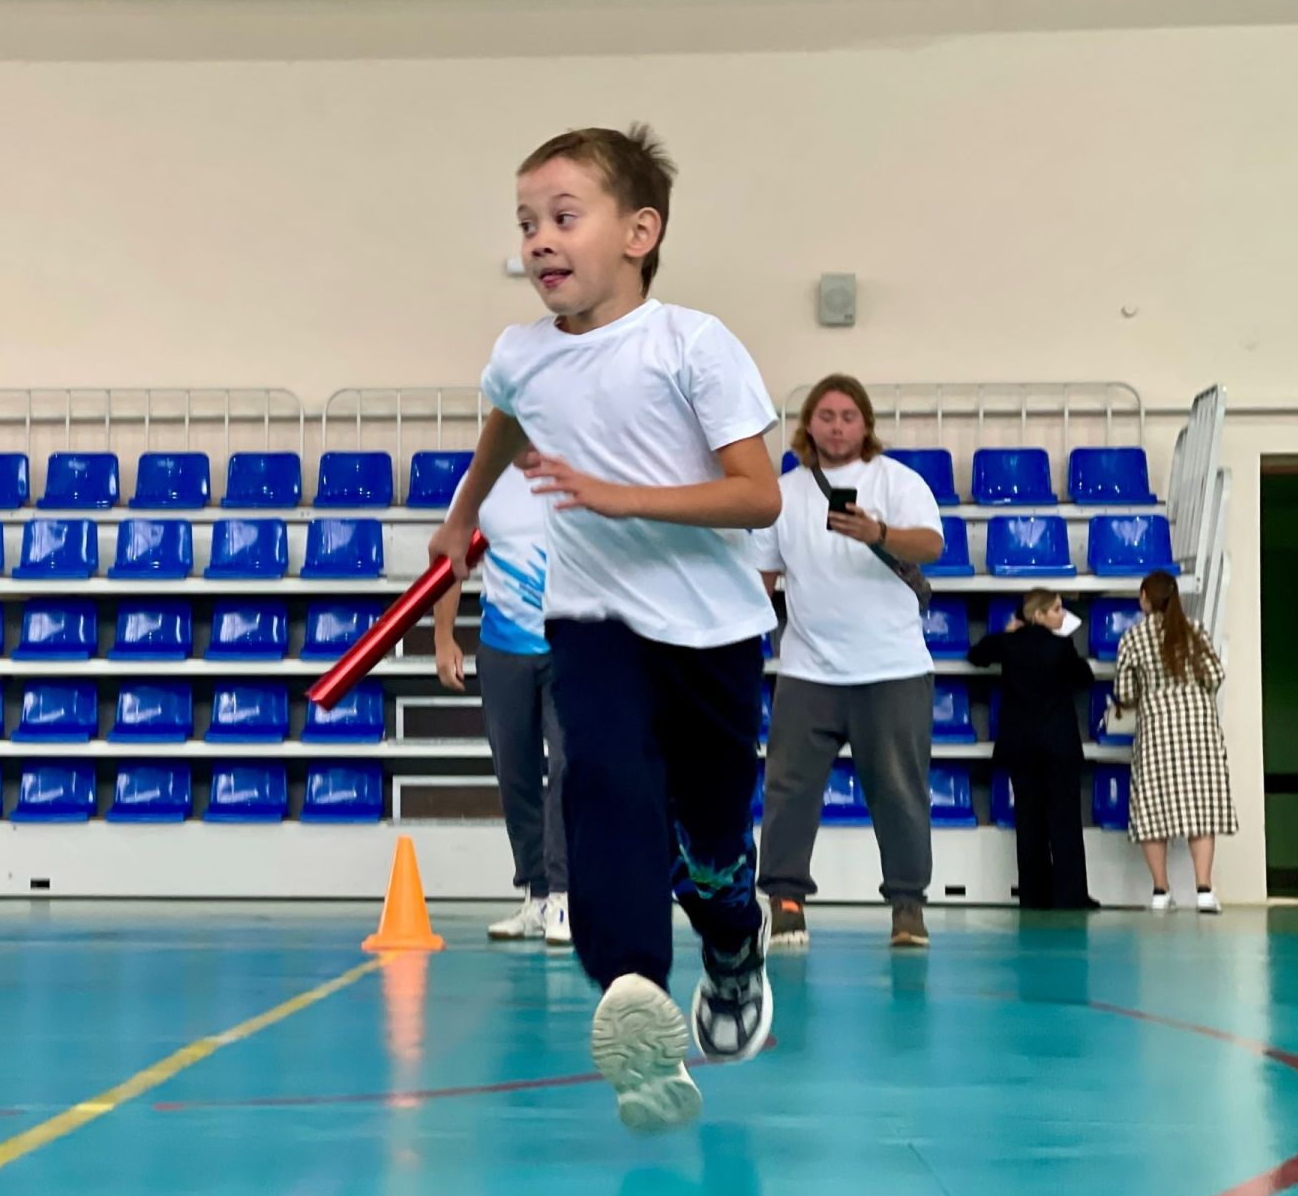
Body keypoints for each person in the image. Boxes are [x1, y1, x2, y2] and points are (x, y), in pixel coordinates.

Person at [428, 124, 782, 1134]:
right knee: (605, 784)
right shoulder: (519, 354)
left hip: (710, 631)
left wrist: (627, 498)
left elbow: (759, 498)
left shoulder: (693, 345)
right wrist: (462, 517)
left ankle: (732, 942)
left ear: (639, 231)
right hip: (589, 615)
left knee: (712, 847)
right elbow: (504, 415)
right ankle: (635, 995)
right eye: (526, 222)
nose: (540, 239)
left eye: (563, 217)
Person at [751, 375, 946, 950]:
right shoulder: (784, 493)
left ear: (866, 425)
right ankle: (786, 903)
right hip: (808, 670)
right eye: (827, 415)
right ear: (808, 424)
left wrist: (877, 532)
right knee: (789, 790)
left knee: (899, 791)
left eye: (848, 416)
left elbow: (932, 545)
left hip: (893, 668)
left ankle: (908, 907)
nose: (837, 426)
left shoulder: (897, 481)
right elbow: (762, 579)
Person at [433, 453, 570, 947]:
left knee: (568, 772)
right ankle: (535, 895)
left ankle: (565, 896)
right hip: (502, 650)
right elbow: (451, 556)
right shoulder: (480, 480)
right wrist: (443, 636)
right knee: (516, 775)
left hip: (570, 648)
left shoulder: (577, 469)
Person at [1110, 570, 1235, 913]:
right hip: (1198, 724)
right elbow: (1215, 675)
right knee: (1202, 807)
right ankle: (1204, 890)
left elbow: (1123, 691)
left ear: (1146, 599)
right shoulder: (1193, 630)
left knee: (1152, 808)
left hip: (1156, 726)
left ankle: (1161, 891)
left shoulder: (1134, 637)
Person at [968, 589, 1098, 911]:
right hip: (1058, 746)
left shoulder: (1008, 645)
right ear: (1037, 615)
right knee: (1064, 822)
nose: (1061, 615)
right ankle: (1070, 895)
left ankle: (1033, 894)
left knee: (1029, 822)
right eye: (1055, 609)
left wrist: (1007, 633)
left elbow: (977, 654)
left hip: (1021, 746)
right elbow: (1085, 678)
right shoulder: (1061, 646)